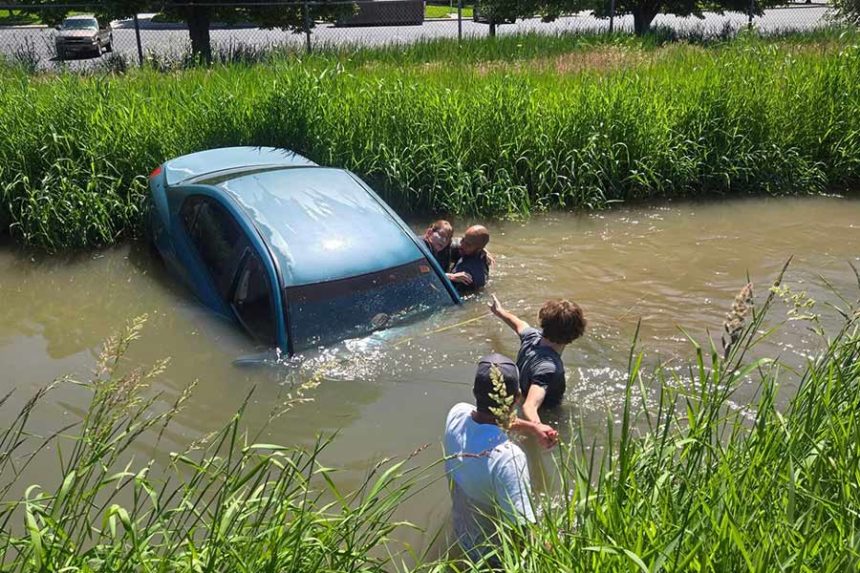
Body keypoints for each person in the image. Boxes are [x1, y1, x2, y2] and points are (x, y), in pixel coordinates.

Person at [444, 354, 541, 563]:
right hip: (494, 559)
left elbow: (487, 420)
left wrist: (534, 427)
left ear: (474, 393)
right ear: (517, 397)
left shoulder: (456, 414)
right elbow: (524, 536)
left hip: (462, 539)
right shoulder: (508, 458)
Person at [488, 295, 586, 425]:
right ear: (575, 335)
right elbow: (529, 407)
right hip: (547, 413)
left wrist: (499, 311)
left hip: (520, 393)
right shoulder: (548, 368)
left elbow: (517, 323)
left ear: (543, 323)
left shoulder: (531, 337)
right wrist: (540, 430)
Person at [448, 225, 491, 293]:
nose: (461, 245)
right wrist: (450, 276)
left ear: (478, 249)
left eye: (468, 244)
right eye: (463, 239)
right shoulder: (467, 251)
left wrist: (449, 277)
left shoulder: (469, 275)